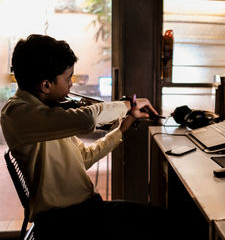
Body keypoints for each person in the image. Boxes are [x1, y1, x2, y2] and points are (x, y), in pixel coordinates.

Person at [0, 34, 187, 239]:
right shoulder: (17, 114)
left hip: (86, 210)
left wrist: (122, 129)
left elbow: (85, 157)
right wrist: (127, 105)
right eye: (67, 78)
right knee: (166, 227)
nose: (71, 85)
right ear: (45, 85)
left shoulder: (48, 112)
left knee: (166, 220)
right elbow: (87, 119)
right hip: (64, 224)